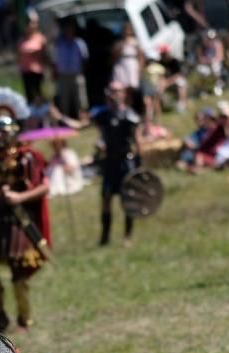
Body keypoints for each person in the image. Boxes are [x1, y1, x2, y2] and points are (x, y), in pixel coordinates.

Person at [0, 110, 49, 331]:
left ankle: (24, 319)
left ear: (14, 132)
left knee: (18, 273)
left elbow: (44, 186)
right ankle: (0, 317)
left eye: (3, 132)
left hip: (15, 221)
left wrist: (19, 197)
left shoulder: (26, 158)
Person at [93, 81, 143, 247]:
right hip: (110, 162)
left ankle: (127, 236)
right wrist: (60, 118)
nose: (114, 94)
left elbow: (138, 141)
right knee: (106, 198)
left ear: (123, 93)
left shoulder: (130, 116)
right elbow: (86, 127)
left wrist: (140, 164)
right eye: (112, 91)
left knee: (128, 199)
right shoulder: (104, 116)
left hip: (126, 162)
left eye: (117, 91)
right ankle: (104, 237)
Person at [52, 19, 89, 121]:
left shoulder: (80, 43)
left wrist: (81, 70)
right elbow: (55, 58)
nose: (68, 30)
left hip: (77, 73)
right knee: (64, 99)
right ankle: (66, 120)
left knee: (80, 98)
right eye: (66, 28)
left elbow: (85, 58)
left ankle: (83, 120)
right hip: (63, 74)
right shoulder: (59, 43)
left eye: (70, 28)